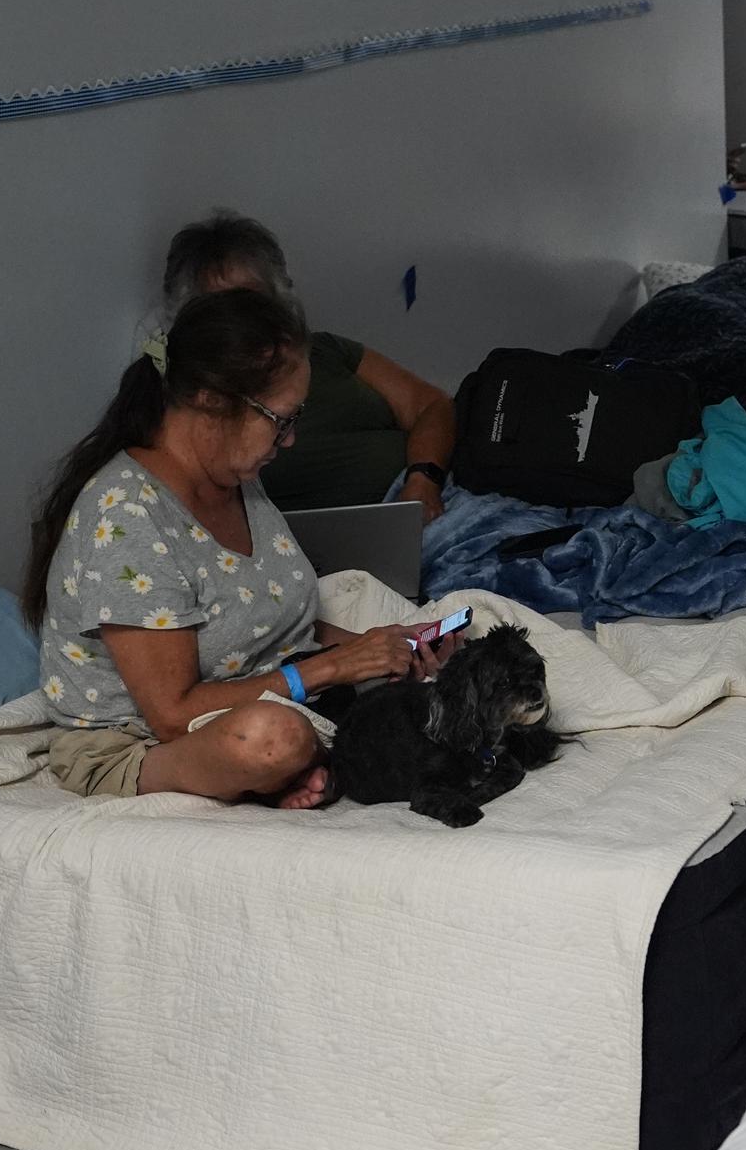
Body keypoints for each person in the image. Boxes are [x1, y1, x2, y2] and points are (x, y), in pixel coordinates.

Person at [26, 289, 458, 809]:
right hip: (138, 742)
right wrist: (333, 668)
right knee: (273, 739)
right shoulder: (127, 516)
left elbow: (265, 619)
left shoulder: (234, 479)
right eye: (282, 420)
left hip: (261, 691)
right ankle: (276, 772)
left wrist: (380, 649)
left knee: (447, 689)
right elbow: (171, 714)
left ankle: (287, 776)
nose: (290, 439)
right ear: (211, 401)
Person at [163, 213, 457, 521]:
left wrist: (424, 479)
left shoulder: (321, 349)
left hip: (435, 494)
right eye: (224, 306)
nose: (245, 318)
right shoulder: (205, 407)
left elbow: (432, 404)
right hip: (355, 539)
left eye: (253, 298)